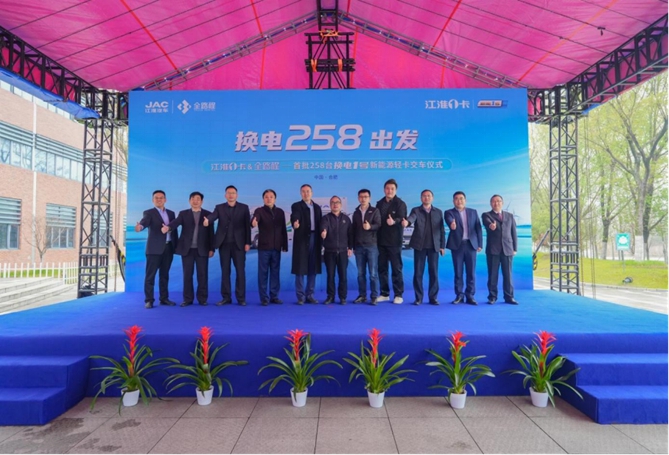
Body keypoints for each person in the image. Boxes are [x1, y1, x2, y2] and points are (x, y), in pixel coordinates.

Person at [162, 191, 214, 307]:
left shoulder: (208, 214)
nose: (195, 201)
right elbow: (176, 223)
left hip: (202, 249)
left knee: (202, 275)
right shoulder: (183, 213)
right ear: (189, 201)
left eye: (198, 199)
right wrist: (168, 227)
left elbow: (211, 233)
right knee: (187, 275)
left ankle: (202, 299)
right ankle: (187, 299)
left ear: (202, 201)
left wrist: (212, 249)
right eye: (193, 199)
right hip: (187, 250)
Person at [204, 185, 251, 306]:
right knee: (225, 271)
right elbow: (213, 216)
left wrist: (247, 242)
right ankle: (226, 297)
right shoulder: (219, 207)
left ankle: (241, 298)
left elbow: (247, 226)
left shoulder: (244, 207)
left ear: (237, 195)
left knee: (240, 271)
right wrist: (208, 220)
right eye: (229, 193)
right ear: (225, 195)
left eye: (233, 193)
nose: (231, 195)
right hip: (223, 244)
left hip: (239, 245)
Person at [135, 190, 179, 309]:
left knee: (164, 275)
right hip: (154, 249)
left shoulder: (171, 213)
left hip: (168, 248)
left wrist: (176, 246)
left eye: (161, 197)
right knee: (150, 276)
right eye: (156, 198)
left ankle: (164, 299)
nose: (159, 199)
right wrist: (140, 227)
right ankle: (149, 300)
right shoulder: (149, 213)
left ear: (165, 199)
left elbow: (174, 230)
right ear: (153, 200)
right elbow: (144, 223)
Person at [402, 190, 445, 305]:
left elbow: (441, 230)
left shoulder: (438, 212)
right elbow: (412, 218)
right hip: (419, 246)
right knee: (418, 273)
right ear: (421, 198)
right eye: (424, 196)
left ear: (432, 198)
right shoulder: (416, 210)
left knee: (434, 273)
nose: (426, 198)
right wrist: (407, 222)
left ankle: (433, 297)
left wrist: (442, 246)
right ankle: (418, 298)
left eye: (428, 196)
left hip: (434, 247)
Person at [445, 191, 482, 305]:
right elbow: (449, 220)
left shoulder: (473, 212)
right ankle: (459, 295)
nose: (459, 201)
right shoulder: (449, 212)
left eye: (461, 198)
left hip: (471, 245)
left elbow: (478, 228)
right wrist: (452, 225)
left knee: (471, 272)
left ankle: (470, 295)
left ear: (465, 200)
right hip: (457, 246)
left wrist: (480, 244)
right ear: (453, 201)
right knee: (458, 272)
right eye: (456, 199)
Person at [252, 189, 288, 306]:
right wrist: (254, 222)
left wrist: (284, 245)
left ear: (275, 199)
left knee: (275, 273)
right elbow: (255, 218)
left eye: (271, 197)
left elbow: (283, 229)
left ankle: (274, 296)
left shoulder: (280, 212)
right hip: (264, 248)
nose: (269, 199)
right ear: (263, 199)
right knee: (263, 273)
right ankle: (264, 298)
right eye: (266, 197)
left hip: (276, 247)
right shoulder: (259, 211)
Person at [375, 178, 407, 304]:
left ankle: (398, 294)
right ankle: (384, 293)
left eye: (392, 189)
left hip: (394, 241)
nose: (389, 191)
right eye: (387, 188)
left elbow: (402, 218)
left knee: (396, 268)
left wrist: (394, 221)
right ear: (384, 190)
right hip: (380, 241)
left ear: (396, 190)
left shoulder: (400, 204)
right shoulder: (379, 204)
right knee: (382, 268)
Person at [482, 194, 518, 305]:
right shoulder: (486, 215)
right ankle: (492, 297)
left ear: (502, 203)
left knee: (508, 275)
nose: (496, 203)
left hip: (508, 249)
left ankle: (509, 297)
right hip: (493, 250)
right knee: (493, 275)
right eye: (494, 201)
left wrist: (515, 248)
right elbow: (487, 223)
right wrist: (491, 226)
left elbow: (513, 232)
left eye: (498, 201)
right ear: (490, 203)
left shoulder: (509, 216)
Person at [290, 184, 323, 305]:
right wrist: (295, 223)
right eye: (303, 191)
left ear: (312, 193)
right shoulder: (296, 206)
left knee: (313, 267)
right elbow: (295, 216)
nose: (306, 193)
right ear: (300, 193)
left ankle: (310, 295)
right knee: (300, 268)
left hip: (315, 238)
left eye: (308, 191)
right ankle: (300, 296)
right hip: (302, 239)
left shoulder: (317, 207)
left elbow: (320, 223)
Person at [320, 195, 354, 305]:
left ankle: (343, 297)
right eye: (333, 203)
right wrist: (324, 231)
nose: (335, 204)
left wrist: (350, 247)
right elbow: (323, 226)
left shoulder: (346, 219)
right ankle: (330, 296)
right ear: (330, 205)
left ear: (341, 204)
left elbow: (350, 234)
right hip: (329, 252)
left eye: (337, 202)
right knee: (330, 275)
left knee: (343, 276)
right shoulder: (326, 218)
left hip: (343, 251)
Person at [351, 189, 381, 305]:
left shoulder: (375, 211)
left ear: (369, 198)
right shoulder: (356, 213)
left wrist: (370, 227)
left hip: (371, 246)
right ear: (358, 198)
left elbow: (379, 225)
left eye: (365, 196)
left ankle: (374, 296)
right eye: (361, 197)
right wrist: (353, 246)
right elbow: (353, 230)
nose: (363, 199)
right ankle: (362, 295)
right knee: (360, 274)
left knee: (373, 274)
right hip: (359, 247)